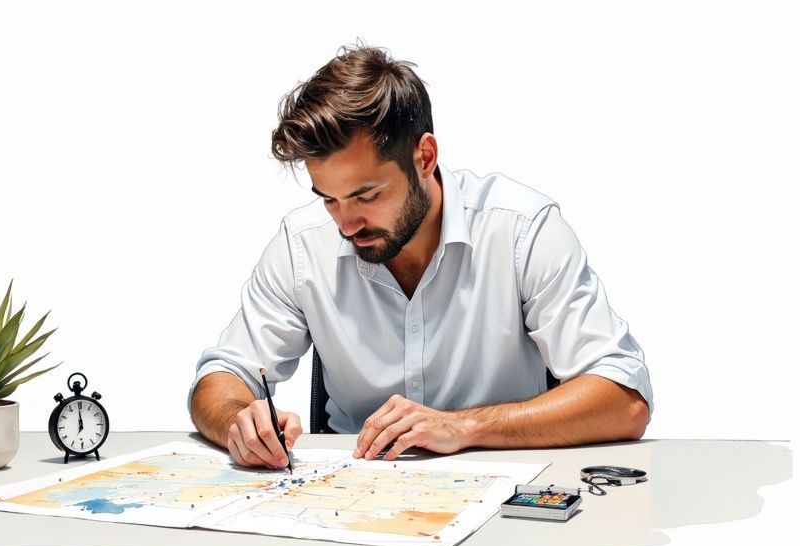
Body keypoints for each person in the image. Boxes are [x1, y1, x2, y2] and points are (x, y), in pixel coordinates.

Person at [189, 45, 653, 470]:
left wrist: (465, 427)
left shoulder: (521, 230)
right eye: (329, 199)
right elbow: (222, 374)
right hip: (352, 505)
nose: (346, 224)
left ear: (425, 157)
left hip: (506, 498)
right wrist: (239, 419)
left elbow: (625, 399)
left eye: (366, 195)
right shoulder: (301, 244)